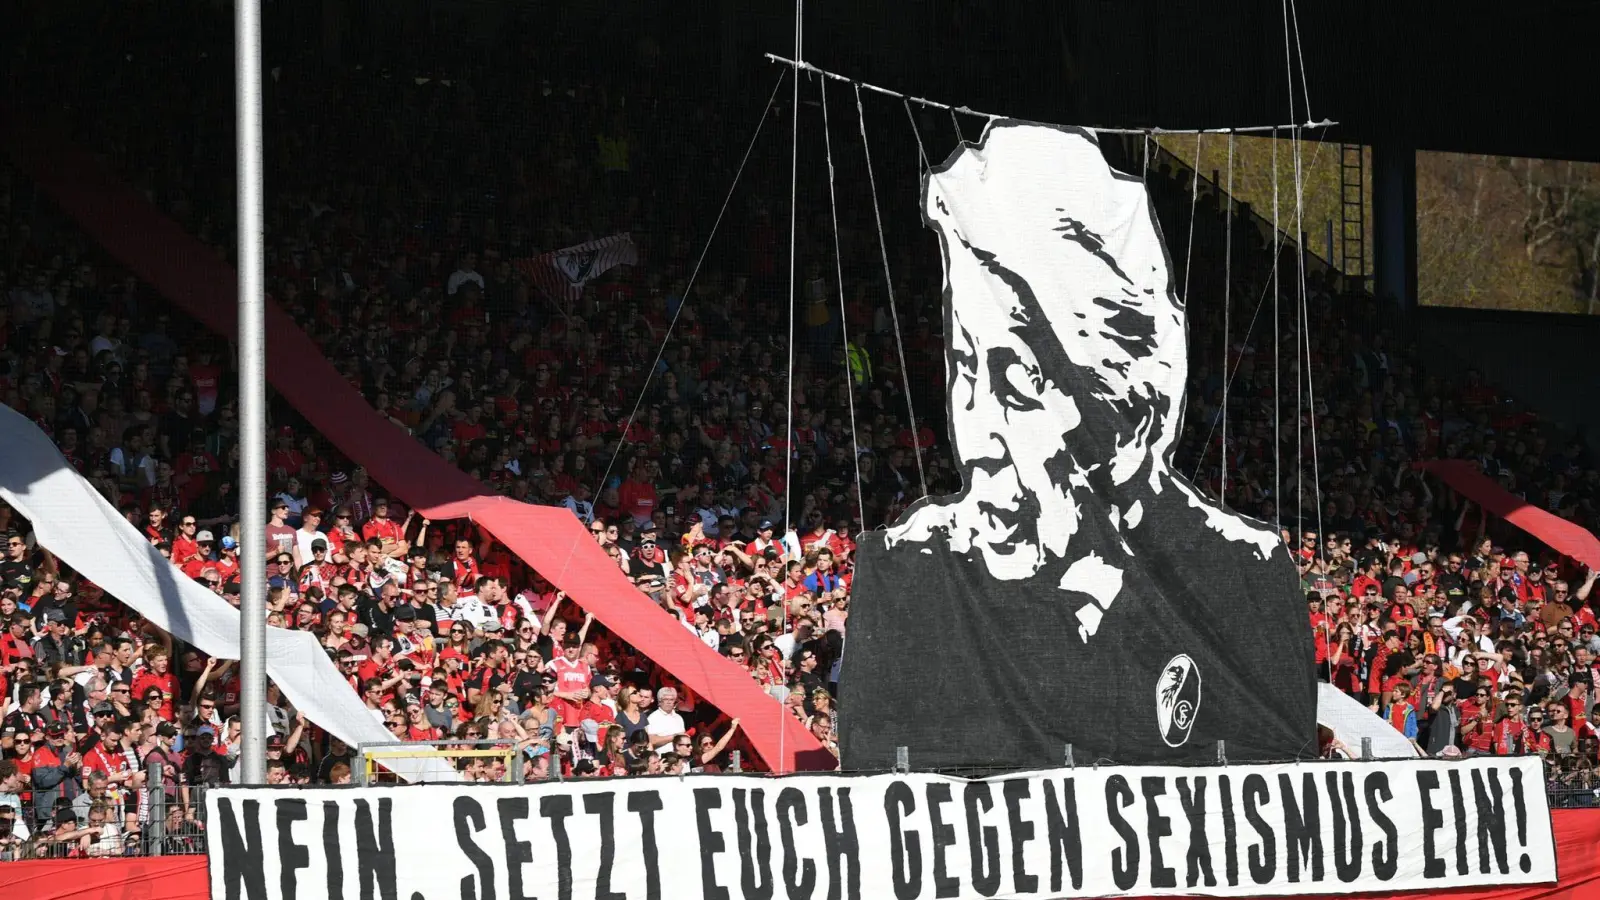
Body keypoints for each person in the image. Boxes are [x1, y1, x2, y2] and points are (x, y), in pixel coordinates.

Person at [843, 123, 1315, 770]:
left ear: (1132, 408)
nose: (974, 423)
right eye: (963, 364)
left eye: (1017, 379)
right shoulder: (912, 575)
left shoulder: (1243, 582)